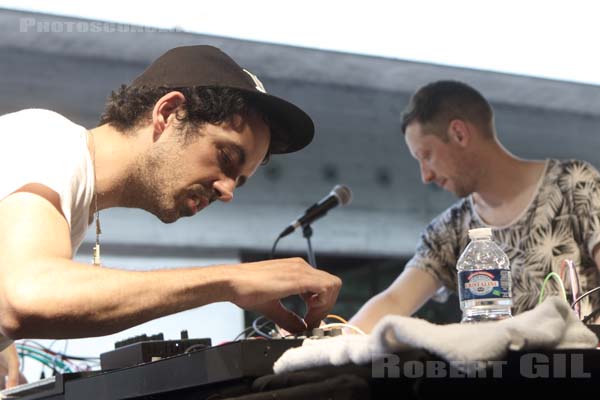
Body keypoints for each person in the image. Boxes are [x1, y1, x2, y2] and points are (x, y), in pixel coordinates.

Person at [0, 45, 341, 355]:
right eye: (226, 157)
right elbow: (26, 298)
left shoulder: (64, 186)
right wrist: (231, 281)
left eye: (239, 181)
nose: (227, 192)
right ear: (169, 113)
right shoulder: (45, 139)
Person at [350, 80, 600, 332]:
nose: (425, 176)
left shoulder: (574, 185)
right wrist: (333, 344)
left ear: (459, 134)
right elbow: (395, 300)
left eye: (426, 156)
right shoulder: (450, 229)